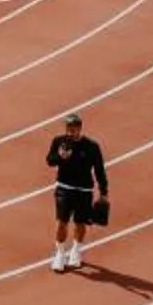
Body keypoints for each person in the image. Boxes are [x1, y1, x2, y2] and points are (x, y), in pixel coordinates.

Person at [46, 111, 108, 272]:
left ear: (80, 128)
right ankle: (60, 253)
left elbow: (99, 170)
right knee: (62, 222)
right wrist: (61, 156)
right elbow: (49, 161)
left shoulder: (92, 147)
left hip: (84, 190)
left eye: (74, 128)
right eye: (68, 128)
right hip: (64, 188)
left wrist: (104, 192)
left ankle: (76, 250)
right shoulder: (59, 142)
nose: (71, 131)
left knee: (80, 223)